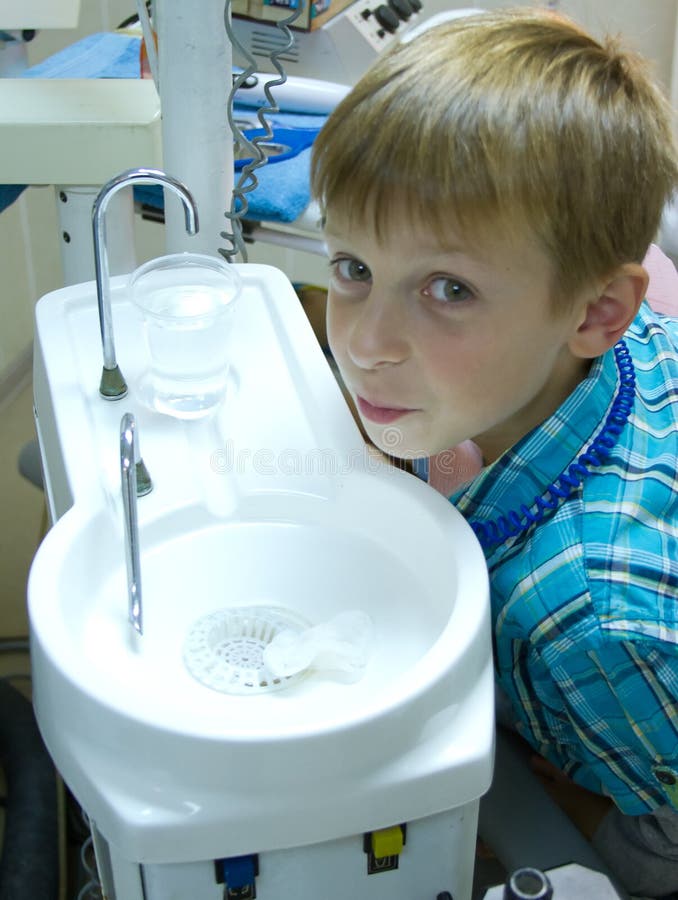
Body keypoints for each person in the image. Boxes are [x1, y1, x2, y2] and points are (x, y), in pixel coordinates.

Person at [310, 8, 678, 897]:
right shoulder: (627, 350)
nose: (365, 342)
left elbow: (667, 841)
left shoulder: (590, 622)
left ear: (596, 312)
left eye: (449, 288)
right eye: (353, 267)